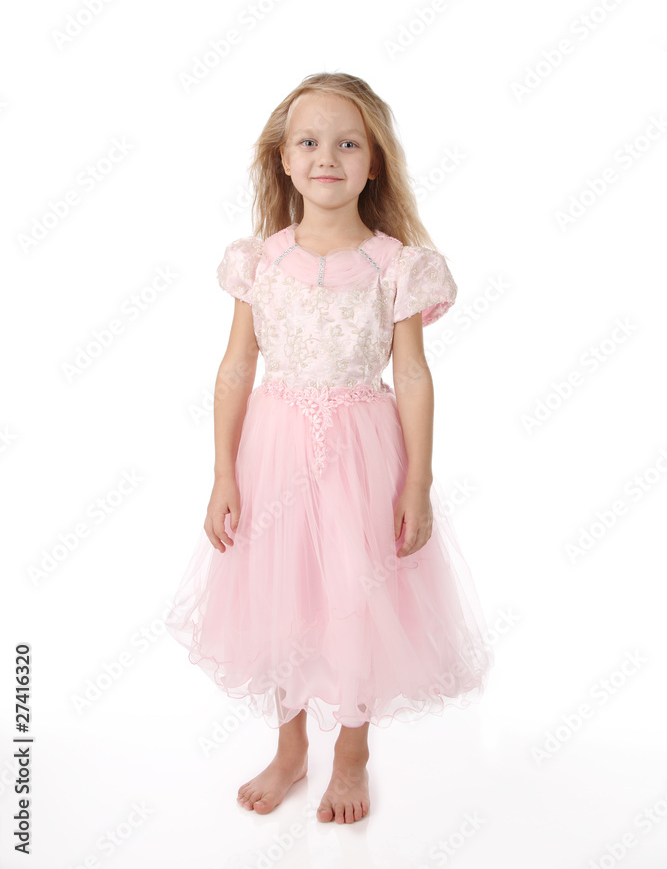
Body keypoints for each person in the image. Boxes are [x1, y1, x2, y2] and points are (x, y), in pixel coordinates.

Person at [165, 71, 493, 825]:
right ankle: (289, 750)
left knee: (356, 596)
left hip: (360, 454)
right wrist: (222, 471)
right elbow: (237, 365)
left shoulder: (395, 264)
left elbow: (410, 374)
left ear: (373, 163)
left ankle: (351, 750)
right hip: (273, 449)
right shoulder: (259, 261)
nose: (327, 156)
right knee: (278, 598)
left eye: (348, 143)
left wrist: (416, 481)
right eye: (308, 141)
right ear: (282, 159)